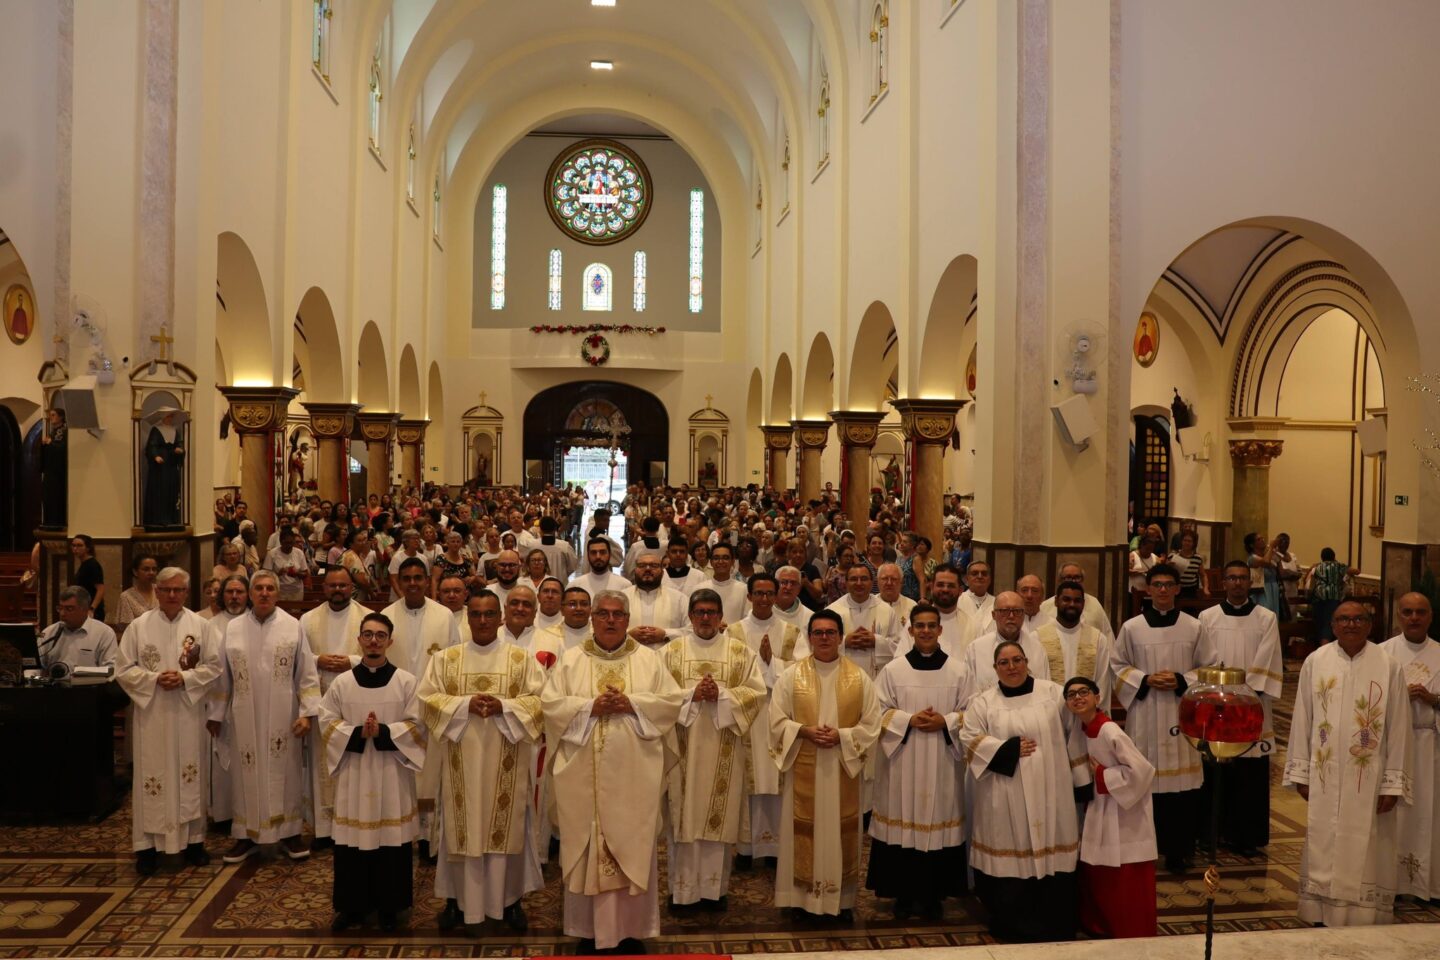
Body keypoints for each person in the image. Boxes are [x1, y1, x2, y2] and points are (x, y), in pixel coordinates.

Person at [541, 590, 684, 953]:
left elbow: (670, 703)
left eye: (617, 614)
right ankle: (588, 931)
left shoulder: (649, 661)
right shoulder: (571, 661)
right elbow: (551, 706)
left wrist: (631, 703)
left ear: (627, 619)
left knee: (633, 846)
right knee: (588, 849)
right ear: (591, 618)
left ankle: (631, 930)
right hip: (583, 782)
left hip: (634, 781)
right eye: (602, 613)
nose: (609, 620)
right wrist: (590, 707)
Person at [419, 590, 547, 932]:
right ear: (467, 618)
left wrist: (505, 706)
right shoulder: (446, 660)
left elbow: (541, 702)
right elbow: (426, 700)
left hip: (507, 760)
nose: (483, 621)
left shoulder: (521, 660)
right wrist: (465, 706)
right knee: (459, 829)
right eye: (475, 614)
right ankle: (456, 902)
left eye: (490, 614)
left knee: (508, 828)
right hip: (460, 762)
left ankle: (509, 901)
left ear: (501, 616)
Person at [1284, 599, 1411, 925]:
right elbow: (1303, 718)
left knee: (1368, 843)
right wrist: (1302, 772)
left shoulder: (1388, 665)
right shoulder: (1316, 661)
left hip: (1370, 776)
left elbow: (1399, 727)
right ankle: (1320, 910)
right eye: (1343, 619)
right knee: (1324, 837)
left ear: (1370, 625)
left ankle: (1364, 913)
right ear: (1333, 625)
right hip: (1325, 773)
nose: (1351, 624)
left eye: (1358, 619)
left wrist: (1393, 781)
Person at [960, 639, 1088, 942]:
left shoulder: (1053, 693)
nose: (1012, 667)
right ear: (994, 669)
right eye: (1004, 663)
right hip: (1005, 793)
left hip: (1051, 790)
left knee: (1053, 855)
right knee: (1011, 855)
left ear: (1027, 661)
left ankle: (1057, 922)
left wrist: (1081, 779)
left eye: (1017, 660)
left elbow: (1076, 733)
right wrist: (1007, 748)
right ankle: (1013, 925)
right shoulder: (983, 702)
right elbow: (969, 737)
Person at [769, 609, 883, 920]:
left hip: (840, 767)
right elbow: (776, 720)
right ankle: (800, 899)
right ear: (809, 638)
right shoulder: (791, 676)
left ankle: (840, 901)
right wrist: (803, 731)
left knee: (840, 830)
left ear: (840, 637)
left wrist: (843, 737)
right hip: (804, 766)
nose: (824, 638)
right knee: (802, 830)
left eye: (830, 632)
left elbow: (872, 723)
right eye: (817, 633)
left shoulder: (859, 678)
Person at [321, 612, 427, 933]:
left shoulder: (406, 681)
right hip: (355, 772)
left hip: (391, 773)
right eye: (367, 635)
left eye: (381, 636)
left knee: (391, 844)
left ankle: (390, 908)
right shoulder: (342, 683)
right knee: (352, 843)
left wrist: (382, 731)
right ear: (359, 640)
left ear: (390, 642)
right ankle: (351, 907)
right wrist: (355, 733)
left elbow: (417, 725)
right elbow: (326, 722)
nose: (373, 641)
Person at [663, 589, 767, 910]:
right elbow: (657, 695)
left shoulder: (740, 653)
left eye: (711, 612)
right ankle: (682, 892)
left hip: (726, 750)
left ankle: (714, 891)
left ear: (722, 617)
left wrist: (721, 695)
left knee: (717, 819)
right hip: (683, 751)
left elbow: (756, 693)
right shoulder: (671, 652)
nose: (705, 618)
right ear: (690, 616)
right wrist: (691, 695)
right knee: (683, 819)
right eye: (699, 612)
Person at [1112, 563, 1218, 874]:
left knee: (1182, 788)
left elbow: (1210, 667)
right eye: (1156, 584)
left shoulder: (1194, 627)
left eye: (1167, 584)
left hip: (1180, 713)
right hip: (1145, 714)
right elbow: (1117, 665)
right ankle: (1147, 849)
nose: (1161, 590)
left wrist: (1182, 680)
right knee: (1146, 782)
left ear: (1176, 589)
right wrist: (1143, 680)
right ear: (1147, 588)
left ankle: (1180, 852)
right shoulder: (1132, 628)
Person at [866, 604, 971, 921]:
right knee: (903, 822)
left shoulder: (959, 670)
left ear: (941, 630)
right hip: (903, 764)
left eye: (931, 626)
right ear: (910, 631)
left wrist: (947, 721)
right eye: (919, 626)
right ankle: (902, 894)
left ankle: (933, 895)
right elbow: (876, 712)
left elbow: (973, 713)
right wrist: (907, 720)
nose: (925, 631)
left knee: (938, 822)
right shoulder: (894, 671)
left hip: (942, 762)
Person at [211, 570, 321, 863]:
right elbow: (223, 678)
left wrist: (307, 714)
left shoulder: (292, 626)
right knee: (243, 772)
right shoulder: (233, 629)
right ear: (250, 593)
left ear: (277, 593)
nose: (264, 593)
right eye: (258, 588)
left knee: (286, 773)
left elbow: (307, 675)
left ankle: (290, 833)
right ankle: (245, 836)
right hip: (243, 714)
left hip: (283, 716)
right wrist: (217, 714)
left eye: (269, 588)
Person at [117, 567, 220, 875]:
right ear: (157, 591)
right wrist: (153, 679)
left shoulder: (201, 626)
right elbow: (123, 669)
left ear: (186, 593)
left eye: (178, 590)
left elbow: (214, 666)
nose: (172, 595)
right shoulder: (139, 626)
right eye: (166, 590)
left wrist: (186, 677)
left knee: (191, 775)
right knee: (152, 776)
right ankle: (147, 848)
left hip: (188, 713)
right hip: (153, 715)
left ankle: (194, 844)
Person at [1197, 560, 1284, 857]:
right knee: (1214, 770)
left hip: (1251, 706)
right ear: (1223, 582)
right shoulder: (1207, 617)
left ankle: (1246, 836)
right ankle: (1211, 833)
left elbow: (1267, 657)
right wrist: (1219, 693)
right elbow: (1204, 658)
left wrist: (1243, 695)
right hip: (1216, 705)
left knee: (1249, 774)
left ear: (1250, 583)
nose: (1236, 583)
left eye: (1242, 578)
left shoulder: (1266, 618)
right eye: (1231, 578)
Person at [1064, 675, 1157, 939]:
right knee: (1099, 870)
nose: (1078, 698)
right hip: (1104, 806)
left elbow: (1142, 770)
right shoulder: (1084, 729)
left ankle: (1130, 929)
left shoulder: (1109, 730)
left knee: (1125, 877)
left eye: (1084, 692)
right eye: (1071, 695)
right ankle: (1102, 925)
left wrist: (1104, 775)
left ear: (1097, 697)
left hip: (1124, 812)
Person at [725, 573, 808, 863]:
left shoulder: (790, 632)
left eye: (768, 593)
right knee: (747, 779)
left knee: (776, 779)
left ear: (775, 597)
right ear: (748, 596)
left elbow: (801, 673)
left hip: (777, 714)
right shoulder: (733, 632)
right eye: (757, 593)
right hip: (745, 716)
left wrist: (772, 661)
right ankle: (745, 848)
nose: (762, 599)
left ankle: (773, 848)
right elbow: (728, 672)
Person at [299, 567, 366, 847]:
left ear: (351, 587)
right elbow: (299, 658)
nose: (338, 590)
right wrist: (318, 660)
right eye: (332, 586)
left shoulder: (366, 617)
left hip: (357, 702)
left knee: (354, 763)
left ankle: (355, 823)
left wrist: (350, 661)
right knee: (322, 764)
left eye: (343, 585)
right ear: (323, 588)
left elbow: (379, 652)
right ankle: (325, 829)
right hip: (321, 700)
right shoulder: (308, 619)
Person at [1380, 592, 1440, 902]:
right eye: (1407, 612)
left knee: (1431, 814)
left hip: (1432, 747)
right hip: (1395, 747)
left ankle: (1430, 884)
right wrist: (1398, 697)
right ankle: (1395, 883)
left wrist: (1434, 700)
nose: (1414, 617)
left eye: (1420, 612)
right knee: (1397, 815)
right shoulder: (1381, 655)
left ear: (1430, 616)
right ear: (1398, 616)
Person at [204, 574, 250, 828]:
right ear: (222, 596)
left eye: (239, 592)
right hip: (218, 703)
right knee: (221, 760)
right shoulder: (211, 626)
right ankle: (223, 814)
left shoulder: (254, 623)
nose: (234, 597)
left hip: (249, 702)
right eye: (230, 592)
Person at [1032, 580, 1112, 709]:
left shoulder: (1098, 639)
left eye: (1077, 600)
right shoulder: (1037, 637)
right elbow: (1035, 681)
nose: (1072, 604)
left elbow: (1102, 683)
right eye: (1066, 600)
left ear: (1083, 604)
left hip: (1085, 716)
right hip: (1051, 713)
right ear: (1056, 602)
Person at [964, 591, 1051, 693]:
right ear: (993, 615)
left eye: (1017, 611)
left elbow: (1045, 690)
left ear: (1023, 615)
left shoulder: (1037, 649)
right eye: (1004, 611)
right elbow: (968, 693)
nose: (1011, 616)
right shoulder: (976, 649)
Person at [825, 563, 901, 679]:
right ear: (845, 583)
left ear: (872, 582)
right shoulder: (832, 611)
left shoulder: (887, 611)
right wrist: (845, 642)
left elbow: (900, 647)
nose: (859, 583)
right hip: (840, 679)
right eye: (853, 579)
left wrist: (876, 641)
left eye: (864, 579)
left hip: (877, 679)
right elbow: (819, 646)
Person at [37, 586, 117, 670]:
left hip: (90, 682)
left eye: (69, 609)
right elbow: (36, 665)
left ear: (85, 609)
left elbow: (110, 669)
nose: (62, 613)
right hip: (53, 682)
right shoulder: (49, 632)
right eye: (60, 608)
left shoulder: (104, 633)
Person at [1038, 562, 1116, 643]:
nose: (1073, 581)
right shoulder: (1046, 606)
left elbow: (1107, 635)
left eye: (1077, 577)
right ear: (1060, 580)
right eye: (1068, 577)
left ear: (1082, 580)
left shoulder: (1094, 604)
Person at [623, 550, 687, 647]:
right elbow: (608, 629)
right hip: (631, 658)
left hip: (667, 659)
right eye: (642, 565)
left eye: (654, 566)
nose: (648, 569)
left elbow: (691, 630)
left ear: (662, 572)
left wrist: (666, 634)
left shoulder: (679, 599)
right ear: (635, 571)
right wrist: (628, 635)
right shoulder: (622, 597)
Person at [142, 409, 185, 528]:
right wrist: (155, 456)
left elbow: (179, 443)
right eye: (168, 417)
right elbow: (151, 445)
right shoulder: (156, 430)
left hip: (171, 465)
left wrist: (180, 450)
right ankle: (158, 519)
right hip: (160, 468)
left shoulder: (175, 430)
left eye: (171, 417)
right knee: (159, 491)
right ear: (163, 418)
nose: (170, 419)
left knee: (171, 490)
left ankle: (171, 518)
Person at [1307, 547, 1355, 643]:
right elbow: (1356, 571)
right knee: (1329, 622)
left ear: (1322, 557)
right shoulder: (1338, 566)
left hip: (1318, 597)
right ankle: (1325, 647)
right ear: (1334, 556)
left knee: (1319, 622)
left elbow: (1310, 582)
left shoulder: (1317, 567)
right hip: (1332, 597)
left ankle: (1320, 648)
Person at [702, 542, 749, 623]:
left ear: (732, 561)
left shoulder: (744, 589)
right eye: (716, 558)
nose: (721, 561)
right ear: (711, 562)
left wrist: (729, 629)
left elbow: (747, 619)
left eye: (725, 558)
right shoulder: (700, 589)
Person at [263, 526, 311, 602]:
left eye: (291, 543)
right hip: (279, 591)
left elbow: (305, 573)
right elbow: (265, 575)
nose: (289, 546)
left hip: (296, 591)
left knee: (295, 613)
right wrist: (279, 573)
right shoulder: (272, 554)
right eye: (286, 543)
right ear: (281, 542)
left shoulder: (299, 553)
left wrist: (297, 573)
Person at [39, 406, 66, 528]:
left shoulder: (63, 431)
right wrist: (45, 445)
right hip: (50, 471)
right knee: (47, 497)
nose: (51, 417)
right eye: (50, 415)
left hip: (58, 473)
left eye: (54, 415)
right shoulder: (52, 431)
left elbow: (62, 450)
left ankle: (56, 522)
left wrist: (50, 444)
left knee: (55, 497)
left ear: (61, 417)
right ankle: (48, 522)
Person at [116, 554, 160, 625]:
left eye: (154, 569)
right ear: (135, 572)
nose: (151, 573)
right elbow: (127, 627)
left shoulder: (162, 591)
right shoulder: (126, 597)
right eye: (146, 569)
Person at [1174, 530, 1206, 599]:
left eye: (1189, 541)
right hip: (1176, 589)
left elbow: (1203, 575)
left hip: (1191, 590)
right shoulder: (1173, 556)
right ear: (1181, 541)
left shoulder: (1197, 558)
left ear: (1194, 543)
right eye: (1185, 540)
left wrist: (1205, 588)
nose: (1187, 543)